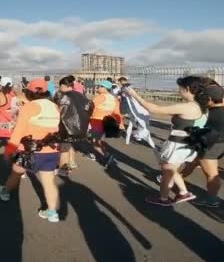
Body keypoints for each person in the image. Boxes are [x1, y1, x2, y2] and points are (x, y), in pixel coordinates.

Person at [126, 76, 209, 206]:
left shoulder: (188, 107)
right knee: (173, 170)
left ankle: (163, 198)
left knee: (167, 172)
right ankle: (183, 192)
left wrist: (135, 95)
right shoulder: (198, 107)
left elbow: (155, 110)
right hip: (185, 144)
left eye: (180, 88)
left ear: (187, 89)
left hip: (178, 145)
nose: (178, 91)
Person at [0, 79, 62, 223]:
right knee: (49, 182)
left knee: (16, 173)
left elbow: (18, 132)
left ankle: (5, 191)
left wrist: (8, 152)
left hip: (29, 151)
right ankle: (52, 212)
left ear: (29, 91)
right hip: (51, 150)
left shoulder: (29, 107)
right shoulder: (55, 106)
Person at [180, 84, 224, 207]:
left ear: (209, 99)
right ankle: (175, 179)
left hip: (212, 145)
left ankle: (212, 200)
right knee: (193, 162)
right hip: (214, 144)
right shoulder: (219, 109)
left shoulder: (214, 113)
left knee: (212, 174)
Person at [54, 75, 93, 176]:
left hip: (67, 127)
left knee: (64, 148)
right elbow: (90, 108)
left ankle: (64, 170)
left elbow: (56, 109)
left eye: (60, 86)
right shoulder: (81, 95)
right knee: (70, 144)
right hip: (82, 127)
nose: (59, 88)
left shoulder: (61, 95)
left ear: (63, 85)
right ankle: (71, 162)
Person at [88, 80, 124, 168]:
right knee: (99, 140)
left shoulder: (100, 97)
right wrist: (121, 123)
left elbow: (89, 108)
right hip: (107, 122)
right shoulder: (114, 99)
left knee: (94, 141)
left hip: (97, 121)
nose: (98, 87)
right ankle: (100, 155)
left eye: (100, 86)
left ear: (105, 88)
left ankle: (107, 156)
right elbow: (117, 113)